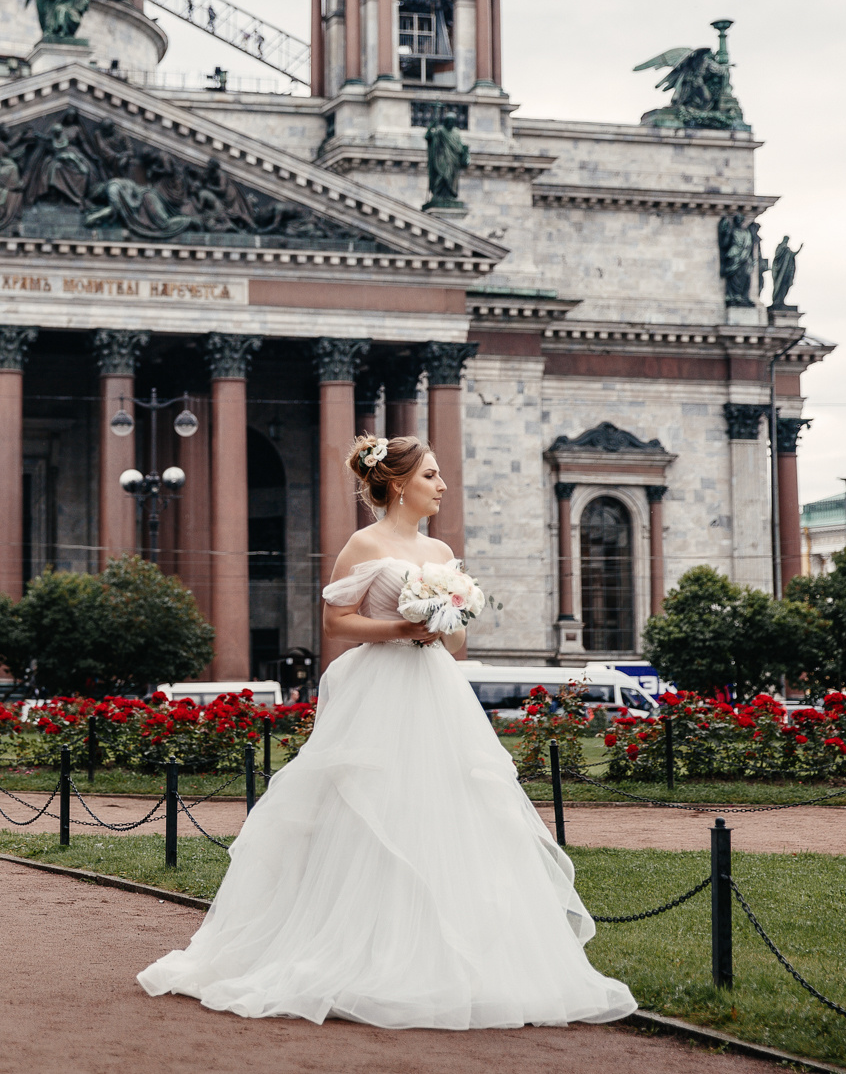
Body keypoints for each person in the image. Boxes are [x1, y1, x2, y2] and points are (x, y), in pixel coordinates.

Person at [139, 435, 634, 1029]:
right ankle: (359, 945)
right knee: (372, 802)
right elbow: (336, 621)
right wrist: (402, 628)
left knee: (450, 807)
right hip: (380, 687)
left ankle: (456, 955)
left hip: (436, 688)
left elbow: (456, 642)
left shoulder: (441, 550)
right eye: (431, 475)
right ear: (398, 484)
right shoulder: (364, 544)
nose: (442, 485)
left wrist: (448, 614)